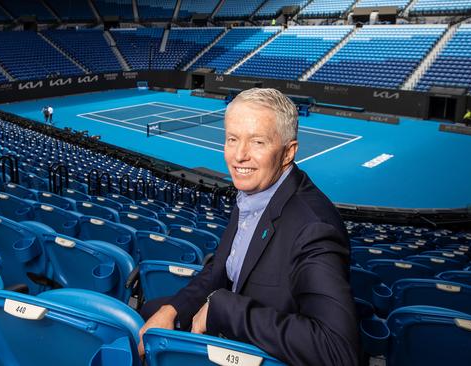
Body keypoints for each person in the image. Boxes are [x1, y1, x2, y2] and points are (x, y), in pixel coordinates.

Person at [137, 88, 359, 365]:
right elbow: (221, 267)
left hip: (261, 351)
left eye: (257, 142)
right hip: (238, 332)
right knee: (150, 312)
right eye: (232, 139)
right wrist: (175, 308)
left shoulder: (314, 228)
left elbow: (338, 351)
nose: (239, 155)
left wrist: (226, 309)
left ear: (288, 152)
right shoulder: (252, 193)